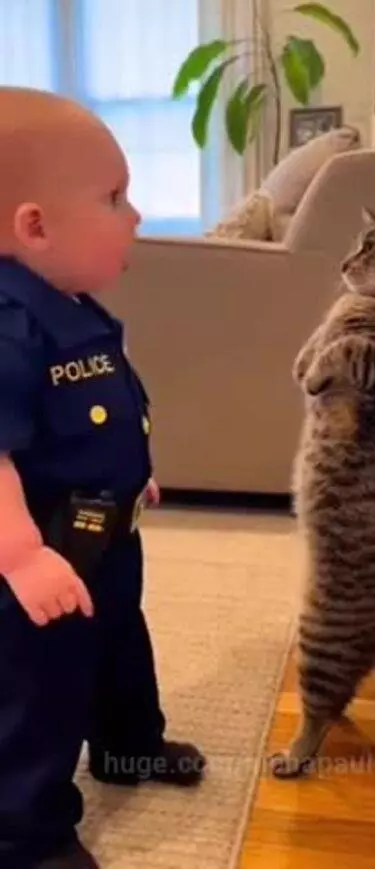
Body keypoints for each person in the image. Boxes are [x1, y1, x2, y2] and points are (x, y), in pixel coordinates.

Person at [0, 86, 206, 869]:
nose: (136, 215)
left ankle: (128, 743)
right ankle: (26, 833)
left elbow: (100, 404)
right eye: (115, 197)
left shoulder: (70, 303)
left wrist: (132, 474)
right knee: (37, 692)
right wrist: (19, 556)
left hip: (107, 535)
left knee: (122, 644)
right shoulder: (9, 321)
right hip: (41, 555)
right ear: (35, 226)